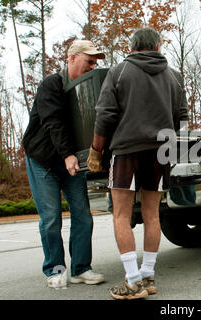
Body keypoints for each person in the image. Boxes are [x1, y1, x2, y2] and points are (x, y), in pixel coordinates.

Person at [87, 27, 188, 300]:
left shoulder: (119, 72)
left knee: (121, 214)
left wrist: (96, 151)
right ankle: (148, 275)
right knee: (152, 214)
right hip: (160, 153)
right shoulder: (174, 77)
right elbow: (181, 117)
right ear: (158, 46)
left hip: (126, 151)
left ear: (132, 47)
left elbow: (105, 115)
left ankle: (133, 281)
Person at [22, 40, 106, 289]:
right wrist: (68, 154)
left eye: (95, 62)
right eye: (88, 61)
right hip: (43, 160)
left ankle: (81, 269)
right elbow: (52, 122)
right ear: (71, 59)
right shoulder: (52, 84)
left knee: (83, 215)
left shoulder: (85, 90)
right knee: (51, 218)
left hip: (71, 162)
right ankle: (55, 269)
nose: (93, 66)